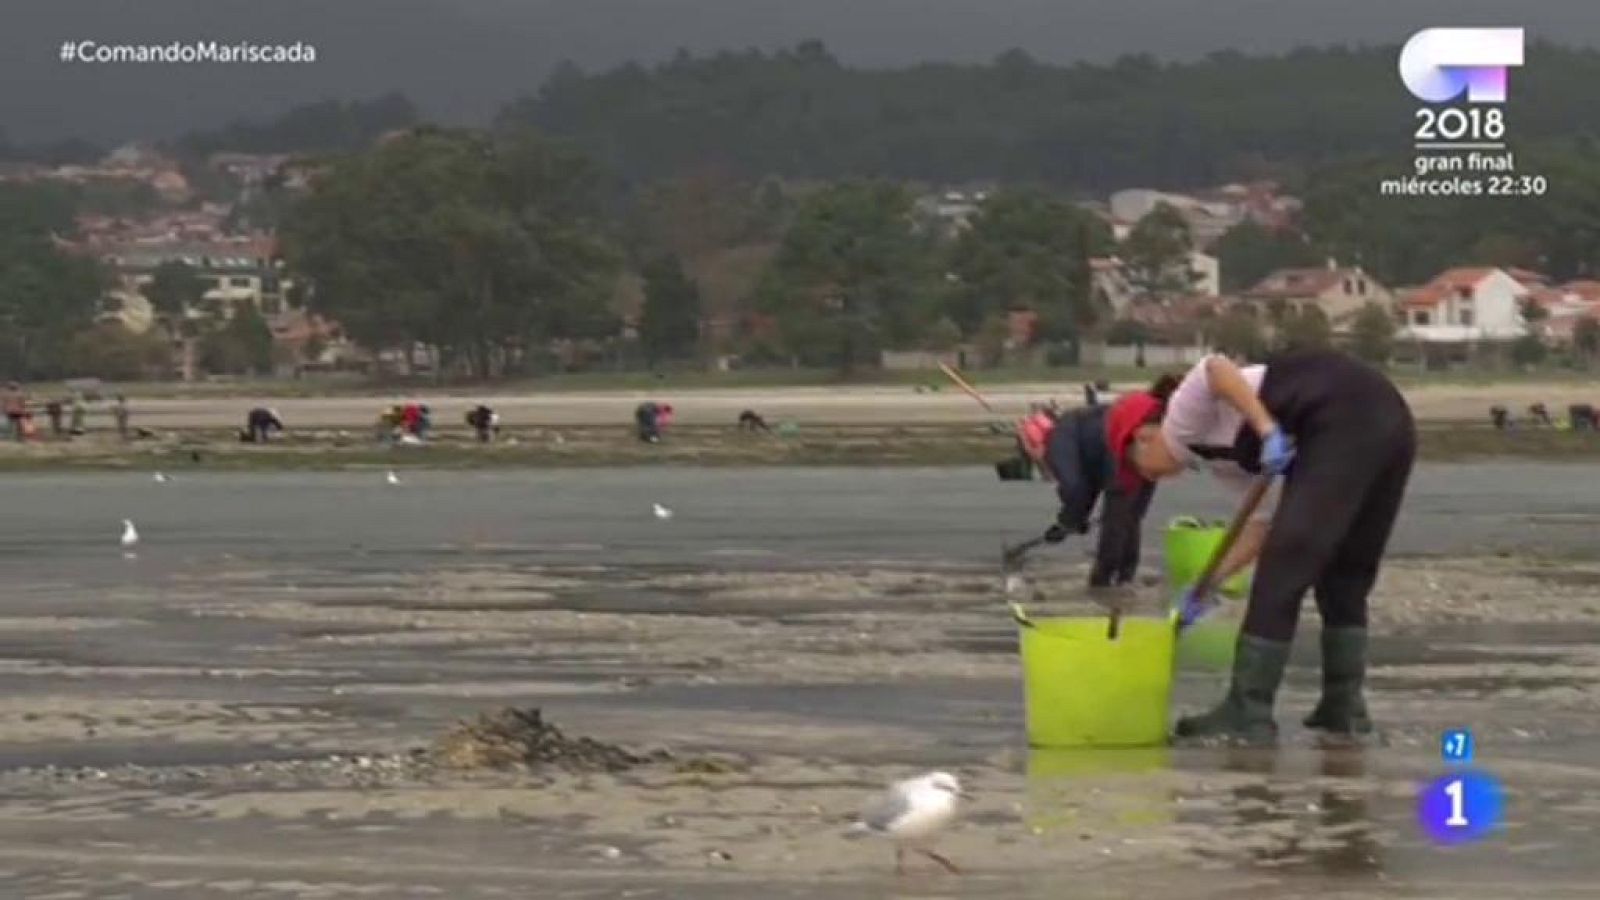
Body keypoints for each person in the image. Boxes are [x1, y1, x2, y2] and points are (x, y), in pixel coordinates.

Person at [1127, 350, 1415, 742]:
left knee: (1281, 574)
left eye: (1142, 466)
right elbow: (1260, 524)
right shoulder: (1220, 459)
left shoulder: (1179, 418)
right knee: (1345, 573)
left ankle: (1249, 710)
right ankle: (1343, 707)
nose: (1151, 476)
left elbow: (1214, 367)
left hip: (1342, 412)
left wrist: (1266, 431)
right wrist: (1205, 584)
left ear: (1145, 434)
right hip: (1386, 421)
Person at [1032, 375, 1180, 588]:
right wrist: (1073, 518)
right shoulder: (1141, 422)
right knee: (1089, 500)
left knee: (1131, 516)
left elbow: (1132, 516)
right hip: (1074, 434)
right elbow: (1110, 511)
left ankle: (1125, 578)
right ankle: (1102, 582)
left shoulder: (1168, 429)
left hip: (1110, 445)